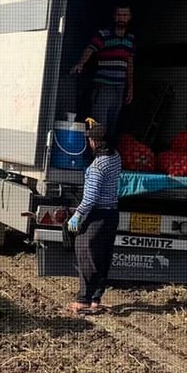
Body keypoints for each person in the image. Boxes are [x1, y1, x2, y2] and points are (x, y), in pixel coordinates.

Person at [65, 121, 122, 315]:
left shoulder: (98, 166)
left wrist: (77, 215)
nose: (89, 142)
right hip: (112, 213)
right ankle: (96, 298)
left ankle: (83, 300)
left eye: (90, 139)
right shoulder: (116, 157)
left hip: (96, 214)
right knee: (103, 255)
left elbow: (90, 198)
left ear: (95, 143)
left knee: (86, 253)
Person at [70, 5, 135, 143]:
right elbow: (90, 49)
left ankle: (107, 157)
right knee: (99, 123)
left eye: (124, 15)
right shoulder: (103, 34)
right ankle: (95, 157)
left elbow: (129, 63)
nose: (121, 18)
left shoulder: (130, 39)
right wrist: (81, 63)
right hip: (104, 86)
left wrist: (130, 88)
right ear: (114, 16)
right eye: (119, 15)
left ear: (129, 18)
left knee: (112, 123)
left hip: (120, 87)